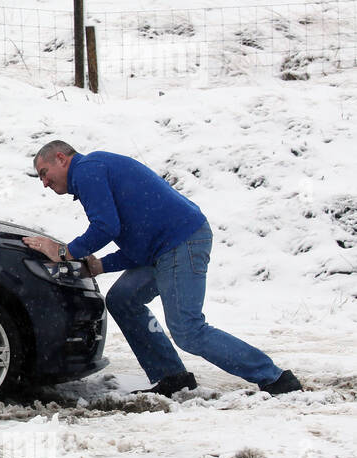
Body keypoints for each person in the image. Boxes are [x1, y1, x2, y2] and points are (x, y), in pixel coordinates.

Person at [22, 140, 302, 397]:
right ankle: (171, 377)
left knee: (188, 330)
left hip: (182, 242)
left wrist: (63, 252)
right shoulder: (95, 172)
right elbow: (138, 243)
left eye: (45, 173)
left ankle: (275, 378)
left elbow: (106, 227)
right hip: (162, 248)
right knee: (122, 300)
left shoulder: (87, 170)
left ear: (61, 158)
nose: (45, 183)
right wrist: (99, 266)